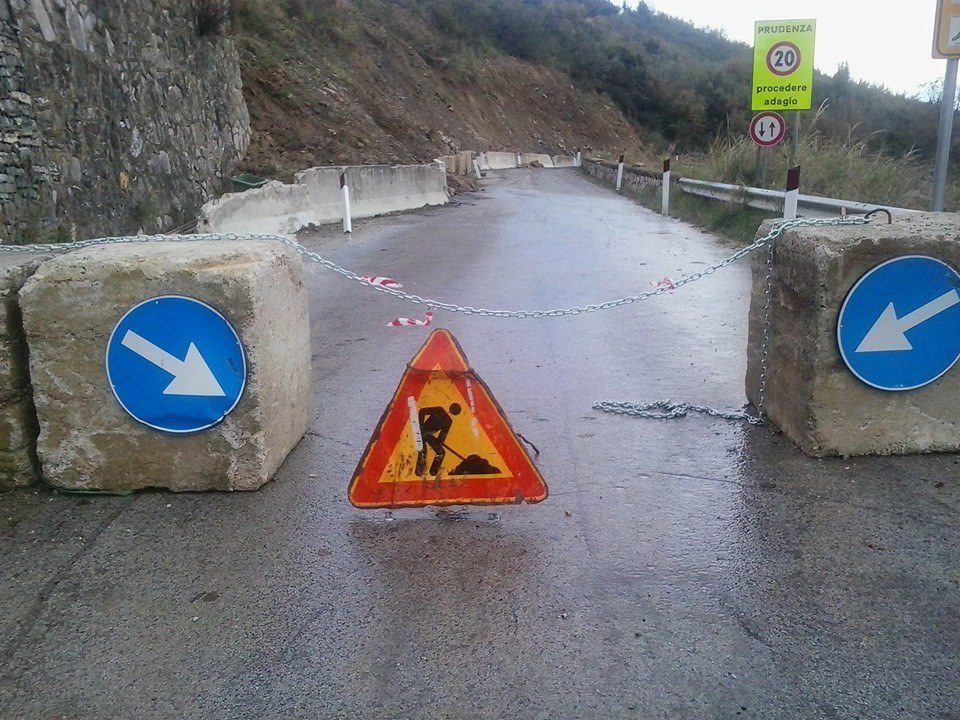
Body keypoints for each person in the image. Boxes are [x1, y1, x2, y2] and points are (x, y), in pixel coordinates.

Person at [415, 403, 461, 476]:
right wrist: (421, 425)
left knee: (440, 451)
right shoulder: (440, 411)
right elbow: (422, 411)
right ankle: (422, 468)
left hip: (426, 434)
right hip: (422, 433)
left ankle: (432, 470)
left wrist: (438, 443)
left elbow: (442, 436)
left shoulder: (447, 419)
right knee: (437, 452)